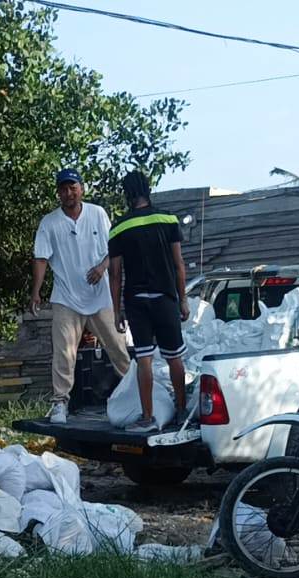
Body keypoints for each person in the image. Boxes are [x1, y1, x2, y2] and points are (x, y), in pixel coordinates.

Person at [30, 167, 131, 424]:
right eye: (64, 189)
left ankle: (137, 394)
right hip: (66, 297)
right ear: (58, 193)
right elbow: (41, 257)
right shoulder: (49, 223)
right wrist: (36, 292)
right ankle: (60, 403)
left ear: (81, 189)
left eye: (73, 187)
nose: (69, 193)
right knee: (63, 353)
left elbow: (114, 248)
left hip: (100, 296)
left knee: (118, 347)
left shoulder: (97, 214)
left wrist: (102, 268)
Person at [108, 170, 189, 433]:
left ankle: (147, 416)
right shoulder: (168, 219)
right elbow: (179, 266)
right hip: (165, 298)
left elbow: (116, 274)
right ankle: (181, 410)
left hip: (137, 301)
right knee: (174, 357)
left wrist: (116, 310)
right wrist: (183, 300)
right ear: (147, 189)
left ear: (127, 194)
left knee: (144, 359)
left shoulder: (119, 226)